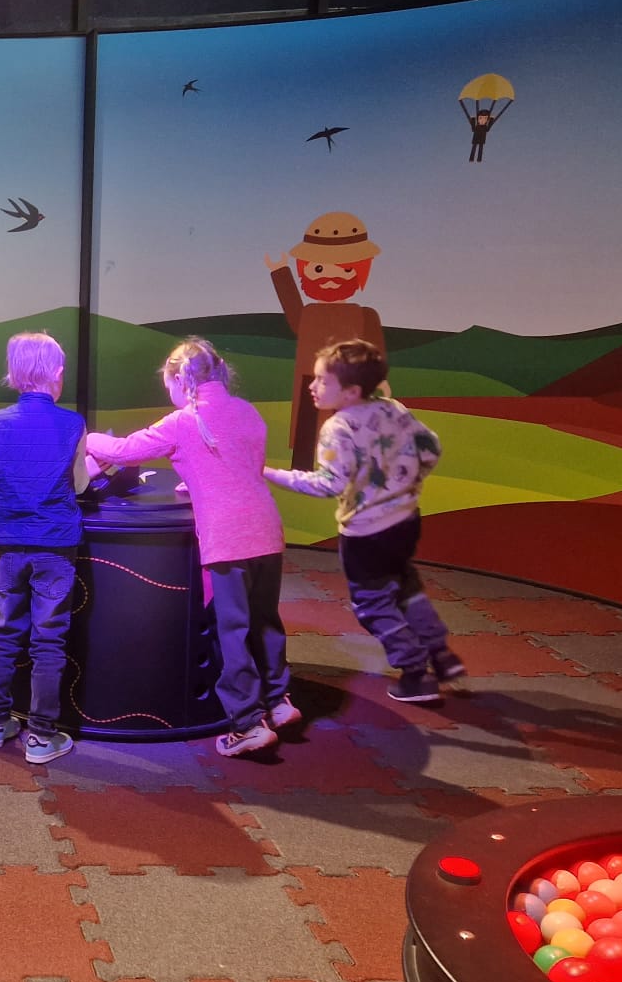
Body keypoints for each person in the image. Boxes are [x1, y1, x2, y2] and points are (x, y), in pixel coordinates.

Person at [86, 339, 295, 758]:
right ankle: (278, 700)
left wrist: (87, 437)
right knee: (265, 619)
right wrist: (195, 478)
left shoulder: (184, 421)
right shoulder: (247, 411)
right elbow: (242, 465)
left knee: (231, 629)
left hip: (228, 536)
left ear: (181, 381)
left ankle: (246, 724)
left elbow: (126, 451)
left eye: (168, 386)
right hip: (267, 530)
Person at [264, 339, 464, 704]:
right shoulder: (392, 408)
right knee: (404, 587)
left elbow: (328, 484)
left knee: (372, 604)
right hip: (406, 521)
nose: (312, 386)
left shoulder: (338, 427)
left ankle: (415, 672)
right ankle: (440, 653)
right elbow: (431, 448)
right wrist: (407, 485)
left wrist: (269, 474)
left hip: (365, 534)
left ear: (352, 391)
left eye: (322, 380)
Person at [0, 332, 89, 765]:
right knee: (48, 639)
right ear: (57, 373)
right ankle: (41, 735)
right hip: (56, 547)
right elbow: (80, 485)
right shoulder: (73, 424)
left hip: (10, 545)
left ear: (14, 373)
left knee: (5, 632)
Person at [265, 212, 386, 472]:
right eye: (318, 268)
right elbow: (294, 314)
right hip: (310, 382)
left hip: (347, 384)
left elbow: (376, 352)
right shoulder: (309, 313)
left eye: (345, 269)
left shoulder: (364, 315)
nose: (330, 277)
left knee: (345, 429)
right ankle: (303, 471)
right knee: (307, 432)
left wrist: (379, 380)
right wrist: (280, 272)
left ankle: (344, 470)